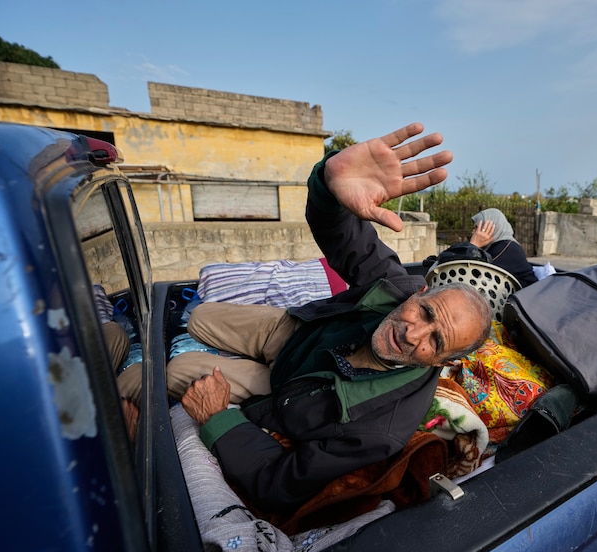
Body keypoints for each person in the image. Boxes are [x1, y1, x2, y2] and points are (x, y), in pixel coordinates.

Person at [171, 122, 493, 516]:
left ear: (444, 363)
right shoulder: (395, 287)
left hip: (286, 392)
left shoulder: (381, 431)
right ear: (420, 293)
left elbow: (279, 484)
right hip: (297, 335)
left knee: (177, 370)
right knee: (200, 316)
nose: (412, 333)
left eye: (436, 341)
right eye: (424, 312)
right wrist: (328, 184)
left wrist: (219, 419)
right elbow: (346, 238)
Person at [468, 208, 538, 287]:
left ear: (491, 227)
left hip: (523, 296)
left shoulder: (508, 248)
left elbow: (474, 272)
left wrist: (473, 245)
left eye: (477, 228)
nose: (473, 232)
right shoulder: (493, 247)